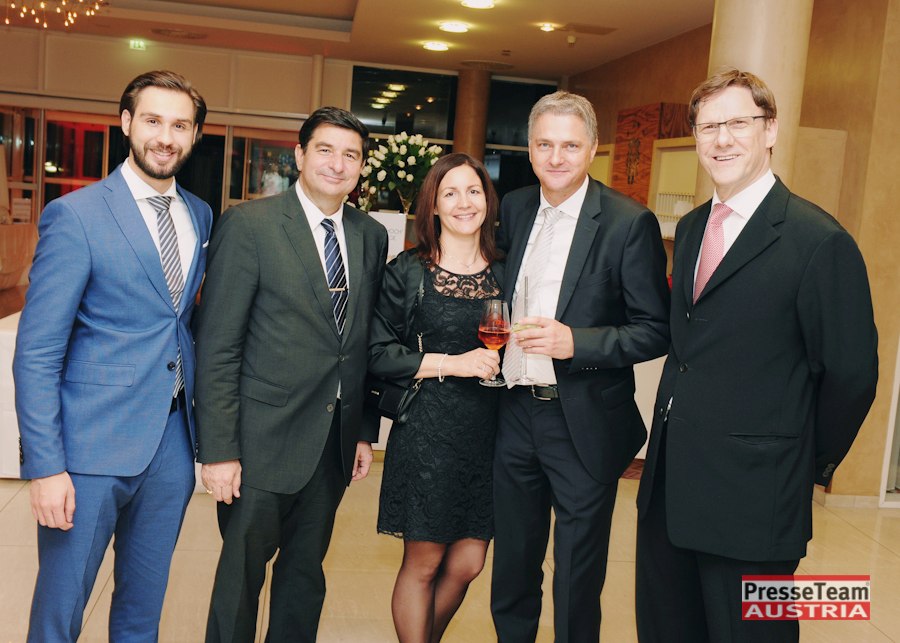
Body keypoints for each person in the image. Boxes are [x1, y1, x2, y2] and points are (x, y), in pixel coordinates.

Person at [635, 68, 878, 643]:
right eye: (708, 126)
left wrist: (795, 462)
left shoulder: (818, 241)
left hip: (755, 500)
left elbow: (850, 376)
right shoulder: (692, 228)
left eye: (738, 123)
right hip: (669, 490)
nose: (722, 139)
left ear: (770, 131)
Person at [13, 69, 211, 642]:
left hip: (172, 443)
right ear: (126, 123)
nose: (165, 137)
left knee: (143, 610)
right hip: (88, 448)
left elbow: (179, 322)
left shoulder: (199, 215)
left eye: (180, 125)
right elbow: (37, 351)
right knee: (61, 610)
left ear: (195, 135)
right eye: (152, 120)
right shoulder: (76, 215)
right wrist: (46, 466)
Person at [194, 106, 388, 642]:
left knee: (304, 580)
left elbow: (362, 343)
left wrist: (363, 429)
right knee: (239, 583)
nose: (337, 164)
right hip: (258, 445)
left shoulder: (370, 235)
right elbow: (218, 345)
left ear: (361, 167)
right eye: (325, 150)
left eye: (351, 155)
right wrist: (219, 450)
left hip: (331, 444)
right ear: (300, 155)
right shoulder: (250, 225)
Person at [491, 91, 670, 642]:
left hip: (583, 421)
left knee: (576, 576)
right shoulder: (515, 207)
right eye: (544, 144)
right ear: (529, 148)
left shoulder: (628, 222)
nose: (556, 157)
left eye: (570, 145)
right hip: (513, 412)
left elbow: (655, 329)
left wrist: (577, 342)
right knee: (512, 566)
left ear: (593, 149)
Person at [368, 152, 504, 642]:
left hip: (491, 433)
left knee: (468, 563)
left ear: (487, 201)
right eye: (450, 193)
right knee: (423, 563)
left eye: (473, 191)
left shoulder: (507, 269)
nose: (464, 202)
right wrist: (454, 363)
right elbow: (378, 352)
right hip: (428, 431)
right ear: (433, 206)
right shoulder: (409, 271)